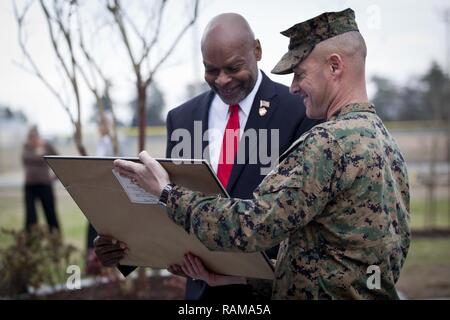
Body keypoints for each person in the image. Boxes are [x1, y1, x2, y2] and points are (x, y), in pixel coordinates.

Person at [112, 8, 411, 299]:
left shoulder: (328, 143)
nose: (293, 87)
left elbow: (253, 225)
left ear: (334, 66)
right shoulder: (382, 139)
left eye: (300, 74)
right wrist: (237, 278)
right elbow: (333, 268)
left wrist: (166, 193)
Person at [94, 13, 318, 300]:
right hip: (199, 292)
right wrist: (125, 248)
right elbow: (171, 200)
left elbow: (302, 214)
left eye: (233, 67)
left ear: (257, 51)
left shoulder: (299, 111)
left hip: (268, 290)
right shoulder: (182, 118)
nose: (223, 80)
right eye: (211, 70)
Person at [86, 114, 116, 275]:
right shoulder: (101, 141)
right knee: (92, 223)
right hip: (99, 187)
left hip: (107, 188)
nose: (100, 126)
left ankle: (98, 260)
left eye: (103, 123)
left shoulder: (111, 141)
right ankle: (92, 259)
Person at [22, 125, 60, 233]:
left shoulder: (46, 145)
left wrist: (55, 176)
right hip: (30, 185)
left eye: (34, 136)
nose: (32, 139)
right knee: (30, 215)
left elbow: (58, 159)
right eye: (30, 137)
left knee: (50, 213)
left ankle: (55, 239)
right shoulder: (26, 147)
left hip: (44, 184)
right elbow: (25, 159)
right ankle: (30, 241)